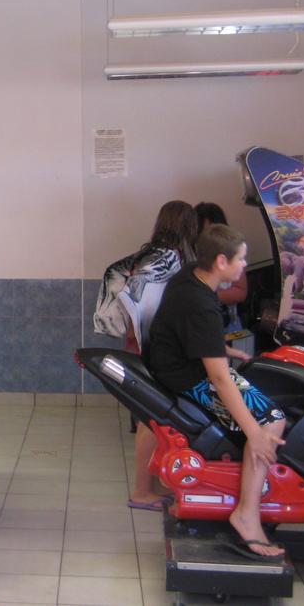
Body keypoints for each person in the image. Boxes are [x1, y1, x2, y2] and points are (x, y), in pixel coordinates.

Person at [147, 225, 286, 557]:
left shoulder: (189, 277)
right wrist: (255, 433)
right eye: (241, 259)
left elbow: (184, 327)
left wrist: (220, 347)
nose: (244, 266)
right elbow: (220, 379)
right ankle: (247, 515)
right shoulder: (202, 304)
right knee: (272, 421)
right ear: (221, 261)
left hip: (177, 363)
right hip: (187, 376)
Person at [95, 200, 198, 510]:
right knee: (151, 419)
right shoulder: (165, 258)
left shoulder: (150, 255)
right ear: (188, 226)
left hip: (145, 343)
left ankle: (152, 484)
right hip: (153, 346)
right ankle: (142, 490)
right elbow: (142, 298)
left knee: (155, 418)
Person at [196, 202, 248, 333]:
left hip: (230, 323)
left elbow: (240, 292)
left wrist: (208, 296)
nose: (211, 237)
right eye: (206, 232)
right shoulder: (190, 256)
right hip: (203, 327)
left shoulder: (231, 250)